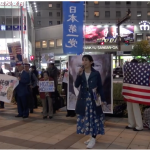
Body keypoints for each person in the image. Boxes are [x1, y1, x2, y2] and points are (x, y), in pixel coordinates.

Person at [75, 55, 105, 149]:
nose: (84, 62)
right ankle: (91, 136)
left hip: (93, 99)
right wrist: (79, 74)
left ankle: (93, 138)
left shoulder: (96, 73)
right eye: (83, 60)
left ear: (91, 62)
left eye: (86, 60)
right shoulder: (82, 73)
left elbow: (100, 87)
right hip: (84, 99)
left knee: (94, 119)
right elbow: (76, 85)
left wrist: (103, 100)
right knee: (86, 119)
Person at [125, 59, 143, 131]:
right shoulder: (129, 72)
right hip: (129, 92)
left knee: (135, 109)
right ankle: (131, 124)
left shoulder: (139, 72)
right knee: (129, 108)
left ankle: (139, 126)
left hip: (135, 93)